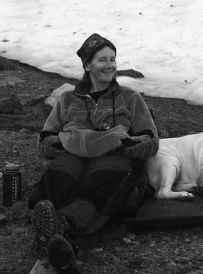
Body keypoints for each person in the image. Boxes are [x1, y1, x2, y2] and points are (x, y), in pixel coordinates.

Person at [29, 33, 159, 273]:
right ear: (87, 65)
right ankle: (59, 240)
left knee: (97, 182)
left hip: (114, 155)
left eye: (113, 59)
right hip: (74, 154)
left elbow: (150, 141)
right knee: (60, 175)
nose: (110, 65)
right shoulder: (68, 99)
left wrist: (118, 145)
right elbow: (45, 140)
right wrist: (72, 142)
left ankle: (62, 226)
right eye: (102, 60)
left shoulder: (130, 97)